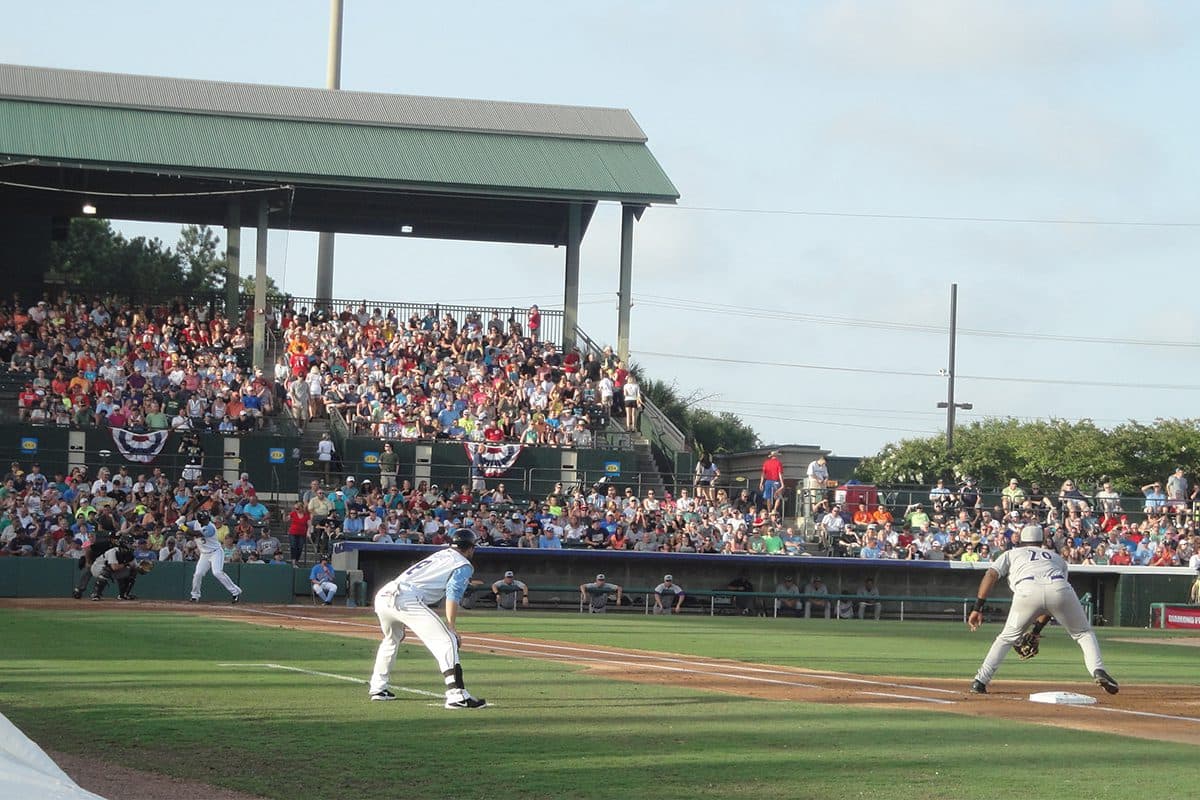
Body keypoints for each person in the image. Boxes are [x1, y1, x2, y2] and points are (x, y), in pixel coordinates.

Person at [967, 524, 1118, 695]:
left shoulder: (1011, 553)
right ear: (1041, 541)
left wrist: (977, 607)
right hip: (1060, 589)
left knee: (1006, 639)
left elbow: (991, 575)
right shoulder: (1056, 557)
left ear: (1021, 540)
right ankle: (1098, 670)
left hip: (1027, 590)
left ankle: (980, 681)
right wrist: (1036, 631)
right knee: (1083, 633)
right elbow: (1050, 602)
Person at [368, 530, 486, 708]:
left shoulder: (442, 554)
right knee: (447, 640)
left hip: (385, 593)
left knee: (391, 640)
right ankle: (457, 695)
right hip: (406, 598)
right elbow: (452, 594)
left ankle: (378, 688)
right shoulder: (463, 563)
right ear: (471, 548)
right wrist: (451, 627)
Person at [185, 511, 243, 604]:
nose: (207, 521)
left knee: (217, 572)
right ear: (200, 520)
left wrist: (181, 526)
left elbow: (193, 533)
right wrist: (181, 521)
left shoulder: (210, 528)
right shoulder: (195, 523)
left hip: (216, 552)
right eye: (204, 520)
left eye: (207, 519)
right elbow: (186, 525)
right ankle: (195, 595)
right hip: (204, 554)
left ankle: (236, 591)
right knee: (198, 574)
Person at [760, 450, 784, 517]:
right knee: (778, 497)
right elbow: (780, 473)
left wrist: (761, 483)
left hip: (768, 481)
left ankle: (769, 511)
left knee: (768, 497)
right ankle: (774, 509)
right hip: (775, 481)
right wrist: (782, 483)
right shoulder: (778, 463)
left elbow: (763, 474)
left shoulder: (766, 463)